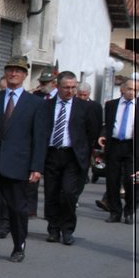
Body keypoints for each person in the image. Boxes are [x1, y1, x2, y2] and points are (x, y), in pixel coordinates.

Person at [0, 54, 49, 267]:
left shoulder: (35, 103)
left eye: (18, 70)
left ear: (25, 75)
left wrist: (37, 166)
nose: (13, 73)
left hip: (18, 164)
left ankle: (19, 244)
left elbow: (39, 137)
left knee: (17, 209)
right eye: (10, 69)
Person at [41, 71, 101, 246]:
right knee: (51, 193)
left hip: (73, 156)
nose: (70, 91)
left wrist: (85, 154)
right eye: (66, 87)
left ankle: (67, 229)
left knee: (68, 193)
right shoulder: (46, 106)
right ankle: (53, 228)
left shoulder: (85, 107)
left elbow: (92, 132)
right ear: (57, 87)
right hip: (52, 153)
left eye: (73, 87)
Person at [100, 77, 139, 222]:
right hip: (114, 145)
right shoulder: (111, 105)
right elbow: (107, 125)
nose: (132, 92)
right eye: (130, 89)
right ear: (122, 89)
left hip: (132, 146)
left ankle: (130, 211)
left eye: (136, 90)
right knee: (112, 180)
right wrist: (102, 136)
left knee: (131, 180)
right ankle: (115, 211)